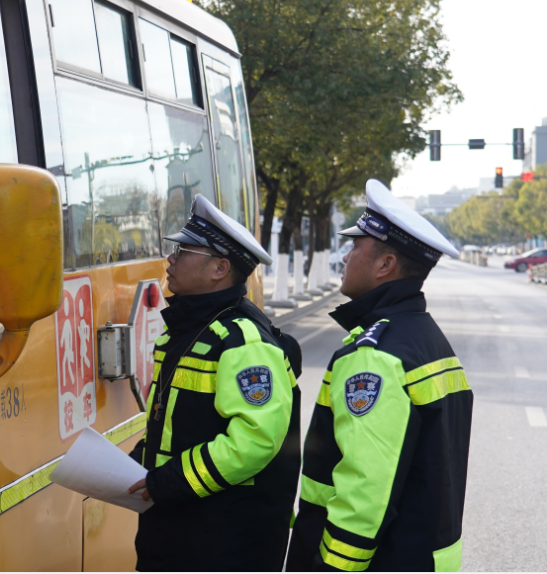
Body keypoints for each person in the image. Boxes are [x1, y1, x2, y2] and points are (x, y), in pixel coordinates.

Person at [286, 179, 472, 572]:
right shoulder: (425, 337)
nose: (344, 257)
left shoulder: (375, 356)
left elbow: (364, 493)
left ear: (385, 265)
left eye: (355, 247)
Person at [127, 194, 301, 572]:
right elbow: (177, 426)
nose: (170, 259)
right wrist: (137, 462)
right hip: (182, 532)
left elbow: (254, 442)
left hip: (223, 543)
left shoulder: (243, 341)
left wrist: (169, 481)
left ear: (220, 268)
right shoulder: (191, 330)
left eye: (182, 251)